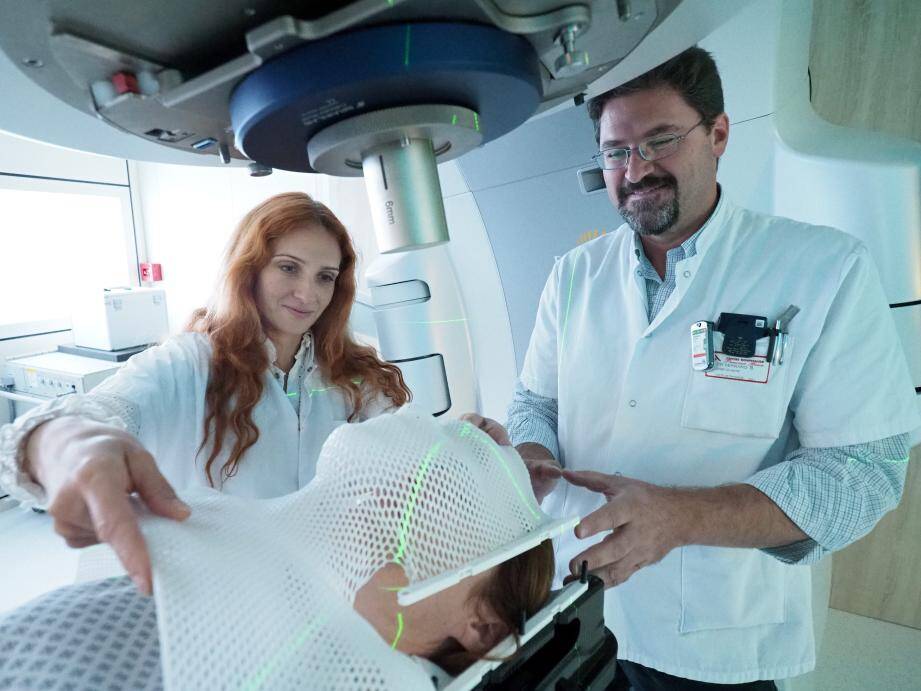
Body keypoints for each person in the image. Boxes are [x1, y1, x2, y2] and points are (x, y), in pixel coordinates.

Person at [467, 47, 919, 689]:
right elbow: (535, 403)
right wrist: (531, 460)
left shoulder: (823, 267)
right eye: (616, 151)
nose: (636, 169)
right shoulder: (574, 275)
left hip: (715, 634)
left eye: (660, 140)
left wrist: (678, 517)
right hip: (576, 604)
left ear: (719, 134)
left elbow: (864, 472)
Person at [0, 191, 410, 597]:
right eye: (288, 268)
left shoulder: (349, 373)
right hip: (209, 597)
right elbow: (102, 410)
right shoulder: (189, 362)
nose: (308, 293)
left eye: (325, 276)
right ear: (249, 270)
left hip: (317, 592)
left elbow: (403, 447)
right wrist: (63, 441)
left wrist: (455, 441)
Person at [0, 408, 556, 690]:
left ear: (483, 629)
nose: (401, 497)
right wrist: (56, 440)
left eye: (450, 506)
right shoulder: (230, 561)